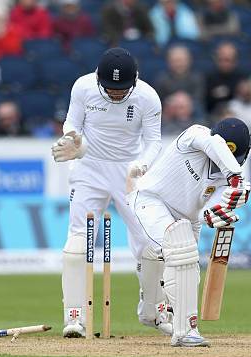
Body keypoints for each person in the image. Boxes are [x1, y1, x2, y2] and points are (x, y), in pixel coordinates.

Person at [51, 47, 163, 338]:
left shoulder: (148, 97)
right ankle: (75, 317)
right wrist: (73, 138)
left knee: (151, 243)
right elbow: (72, 122)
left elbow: (154, 141)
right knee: (78, 241)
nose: (115, 94)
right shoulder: (84, 86)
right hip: (89, 168)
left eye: (122, 89)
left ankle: (153, 310)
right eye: (110, 89)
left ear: (135, 80)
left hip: (129, 172)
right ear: (99, 79)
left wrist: (142, 164)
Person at [128, 117, 251, 346]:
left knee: (188, 266)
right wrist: (236, 176)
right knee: (179, 251)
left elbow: (208, 210)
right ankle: (185, 331)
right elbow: (213, 144)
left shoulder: (229, 181)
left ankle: (152, 313)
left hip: (187, 218)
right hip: (150, 200)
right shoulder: (195, 135)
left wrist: (213, 214)